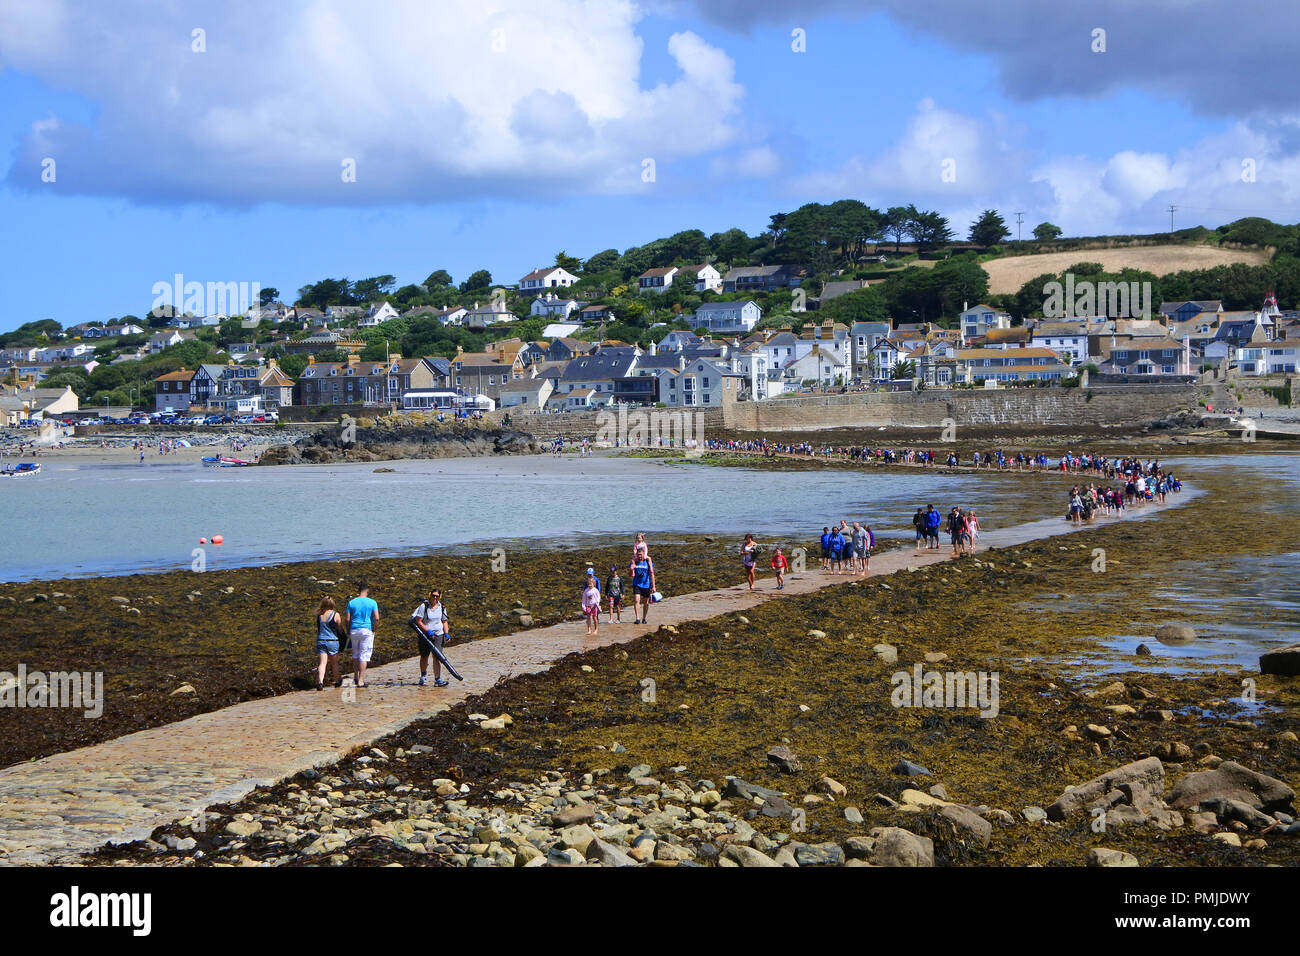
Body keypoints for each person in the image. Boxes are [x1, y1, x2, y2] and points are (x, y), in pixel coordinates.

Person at [410, 588, 449, 687]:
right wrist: (428, 630)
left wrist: (446, 633)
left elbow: (444, 621)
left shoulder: (442, 607)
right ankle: (423, 677)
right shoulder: (424, 606)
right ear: (429, 595)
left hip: (438, 635)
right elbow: (419, 621)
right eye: (433, 595)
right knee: (424, 656)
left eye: (437, 596)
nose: (435, 598)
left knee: (437, 656)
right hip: (425, 635)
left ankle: (438, 679)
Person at [345, 583, 380, 688]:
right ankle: (361, 680)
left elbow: (347, 619)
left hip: (354, 629)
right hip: (366, 629)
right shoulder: (372, 602)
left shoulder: (351, 602)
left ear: (358, 590)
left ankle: (355, 676)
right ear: (367, 591)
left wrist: (348, 630)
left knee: (355, 654)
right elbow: (377, 618)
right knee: (364, 655)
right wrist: (374, 629)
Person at [314, 596, 345, 690]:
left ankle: (320, 682)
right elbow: (340, 629)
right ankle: (337, 680)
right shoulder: (336, 615)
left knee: (322, 663)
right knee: (334, 663)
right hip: (332, 641)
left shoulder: (319, 615)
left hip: (321, 640)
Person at [630, 549, 656, 624]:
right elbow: (630, 574)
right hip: (637, 584)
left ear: (643, 554)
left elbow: (652, 574)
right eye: (638, 555)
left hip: (646, 585)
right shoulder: (634, 561)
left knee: (646, 602)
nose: (639, 556)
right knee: (636, 600)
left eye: (641, 554)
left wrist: (653, 586)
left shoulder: (648, 562)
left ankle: (644, 618)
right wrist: (631, 569)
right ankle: (637, 618)